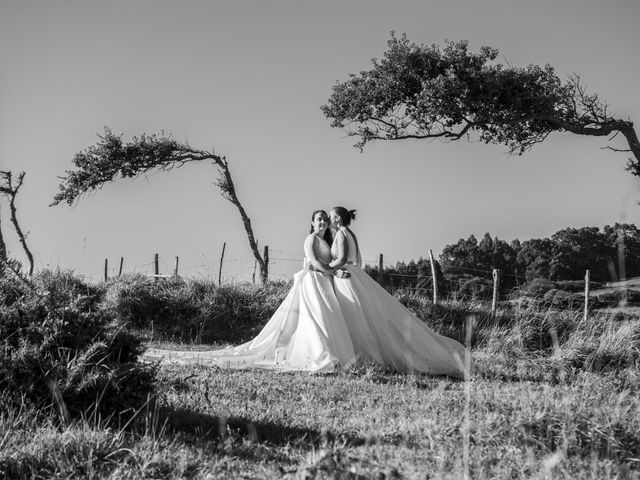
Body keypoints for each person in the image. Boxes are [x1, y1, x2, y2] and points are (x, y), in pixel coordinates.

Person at [144, 210, 357, 373]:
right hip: (313, 281)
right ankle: (319, 354)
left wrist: (334, 272)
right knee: (315, 318)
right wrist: (334, 273)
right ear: (312, 222)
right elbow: (314, 262)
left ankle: (330, 352)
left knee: (326, 318)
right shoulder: (310, 239)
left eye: (324, 219)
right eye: (318, 219)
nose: (322, 222)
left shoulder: (326, 240)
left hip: (324, 282)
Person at [327, 206, 468, 378]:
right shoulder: (351, 234)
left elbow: (342, 259)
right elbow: (358, 260)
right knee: (361, 315)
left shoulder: (341, 234)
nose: (329, 218)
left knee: (353, 315)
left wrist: (325, 266)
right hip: (355, 274)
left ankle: (361, 357)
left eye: (331, 216)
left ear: (338, 219)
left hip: (346, 276)